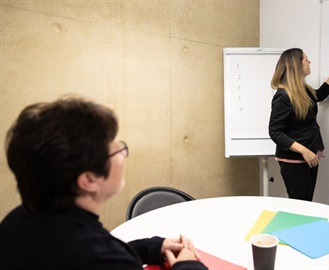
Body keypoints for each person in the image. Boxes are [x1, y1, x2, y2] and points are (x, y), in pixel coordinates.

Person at [0, 97, 207, 270]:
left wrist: (152, 248)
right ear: (88, 180)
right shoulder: (103, 259)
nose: (123, 156)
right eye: (117, 150)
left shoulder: (16, 222)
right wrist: (187, 266)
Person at [268, 48, 329, 201]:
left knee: (307, 202)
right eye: (306, 59)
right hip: (295, 160)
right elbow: (275, 132)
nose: (309, 62)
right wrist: (304, 151)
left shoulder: (303, 91)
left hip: (309, 156)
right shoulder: (283, 95)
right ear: (296, 65)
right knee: (301, 205)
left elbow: (321, 94)